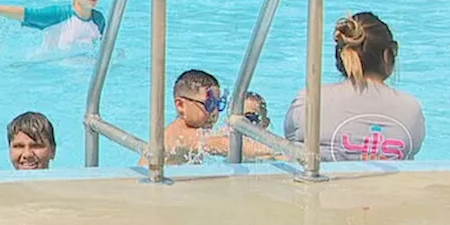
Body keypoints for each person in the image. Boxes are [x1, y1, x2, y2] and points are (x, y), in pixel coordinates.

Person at [284, 13, 424, 161]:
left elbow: (290, 142)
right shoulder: (411, 108)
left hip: (321, 183)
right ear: (387, 55)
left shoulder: (310, 100)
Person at [158, 70, 274, 165]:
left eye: (218, 105)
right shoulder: (179, 135)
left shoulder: (196, 133)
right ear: (181, 105)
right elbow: (224, 144)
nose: (214, 113)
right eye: (209, 104)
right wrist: (278, 152)